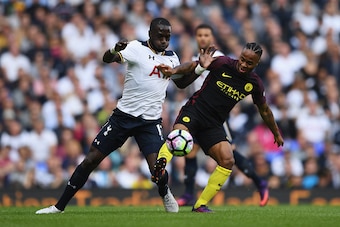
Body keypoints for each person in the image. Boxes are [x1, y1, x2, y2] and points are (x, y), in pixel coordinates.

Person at [35, 17, 181, 214]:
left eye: (167, 37)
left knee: (157, 168)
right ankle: (58, 207)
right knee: (91, 159)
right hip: (123, 117)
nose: (164, 40)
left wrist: (197, 68)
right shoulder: (136, 48)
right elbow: (107, 59)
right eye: (160, 36)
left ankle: (164, 192)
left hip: (150, 121)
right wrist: (114, 50)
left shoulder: (172, 57)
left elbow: (181, 82)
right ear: (150, 34)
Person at [152, 42, 284, 213]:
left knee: (228, 159)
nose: (244, 64)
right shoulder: (223, 63)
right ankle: (160, 166)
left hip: (213, 124)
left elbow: (264, 110)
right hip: (195, 111)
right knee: (178, 135)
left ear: (256, 63)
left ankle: (200, 205)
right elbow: (192, 65)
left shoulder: (255, 83)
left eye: (249, 63)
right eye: (242, 59)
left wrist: (276, 133)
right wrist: (174, 70)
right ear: (239, 55)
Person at [176, 24, 271, 207]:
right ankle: (188, 194)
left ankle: (258, 181)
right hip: (199, 110)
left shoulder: (218, 58)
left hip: (214, 116)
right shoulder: (196, 59)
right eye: (200, 35)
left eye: (207, 35)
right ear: (196, 38)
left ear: (212, 38)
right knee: (191, 151)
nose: (203, 38)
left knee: (228, 152)